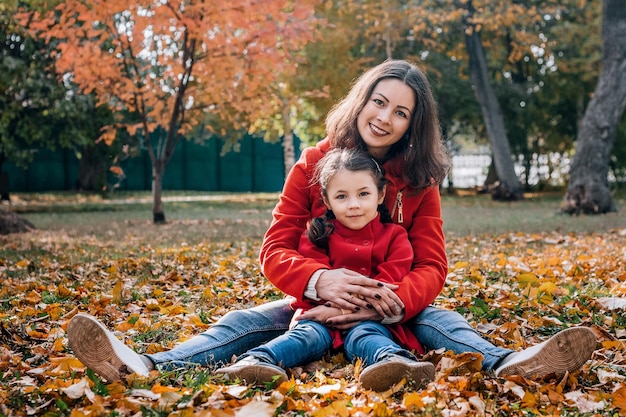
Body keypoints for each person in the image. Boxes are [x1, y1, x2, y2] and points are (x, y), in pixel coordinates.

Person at [67, 59, 596, 386]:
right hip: (314, 302)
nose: (384, 117)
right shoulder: (315, 162)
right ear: (362, 99)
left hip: (394, 304)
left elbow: (432, 263)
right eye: (379, 101)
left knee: (444, 323)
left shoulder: (418, 180)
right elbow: (275, 247)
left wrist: (392, 299)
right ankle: (148, 364)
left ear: (415, 124)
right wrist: (322, 281)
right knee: (244, 322)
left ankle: (510, 363)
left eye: (401, 112)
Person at [216, 148, 434, 391]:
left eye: (363, 194)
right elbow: (313, 275)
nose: (353, 205)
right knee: (304, 336)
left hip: (371, 317)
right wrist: (328, 309)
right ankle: (256, 361)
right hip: (318, 315)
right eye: (341, 197)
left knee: (368, 337)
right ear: (327, 200)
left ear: (380, 194)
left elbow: (385, 286)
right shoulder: (318, 234)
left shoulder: (395, 237)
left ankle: (393, 362)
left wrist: (344, 308)